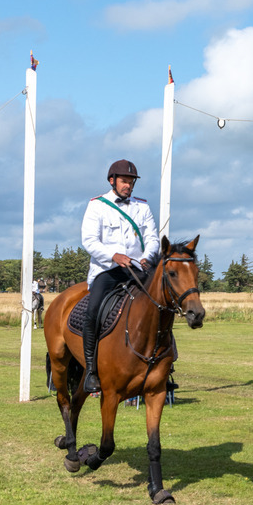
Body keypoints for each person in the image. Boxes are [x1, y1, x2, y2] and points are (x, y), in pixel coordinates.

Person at [80, 159, 160, 394]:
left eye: (131, 182)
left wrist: (147, 256)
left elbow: (153, 237)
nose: (129, 186)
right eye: (125, 181)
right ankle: (91, 371)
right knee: (93, 310)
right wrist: (114, 256)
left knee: (161, 305)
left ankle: (165, 365)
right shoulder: (97, 205)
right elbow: (89, 240)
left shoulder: (142, 207)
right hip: (107, 270)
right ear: (112, 180)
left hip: (137, 269)